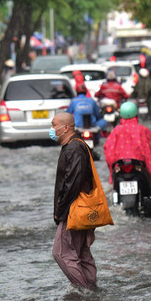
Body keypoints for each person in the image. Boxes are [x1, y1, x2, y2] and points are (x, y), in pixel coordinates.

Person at [50, 111, 99, 290]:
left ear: (65, 128)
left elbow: (72, 183)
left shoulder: (74, 148)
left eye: (54, 125)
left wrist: (60, 211)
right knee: (81, 253)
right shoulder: (74, 146)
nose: (51, 129)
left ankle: (84, 291)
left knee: (61, 253)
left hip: (74, 210)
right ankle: (92, 291)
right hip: (81, 209)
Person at [103, 101, 151, 195]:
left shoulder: (116, 130)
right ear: (136, 115)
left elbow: (108, 149)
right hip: (139, 167)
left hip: (120, 167)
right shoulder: (142, 129)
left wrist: (113, 166)